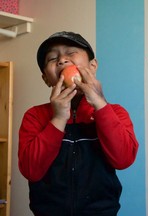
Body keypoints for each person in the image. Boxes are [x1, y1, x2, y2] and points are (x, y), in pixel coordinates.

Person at [18, 31, 139, 216]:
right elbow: (30, 170)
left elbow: (123, 159)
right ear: (45, 78)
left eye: (71, 53)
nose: (61, 60)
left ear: (93, 66)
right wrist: (58, 118)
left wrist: (100, 104)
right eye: (52, 58)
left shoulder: (115, 112)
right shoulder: (34, 116)